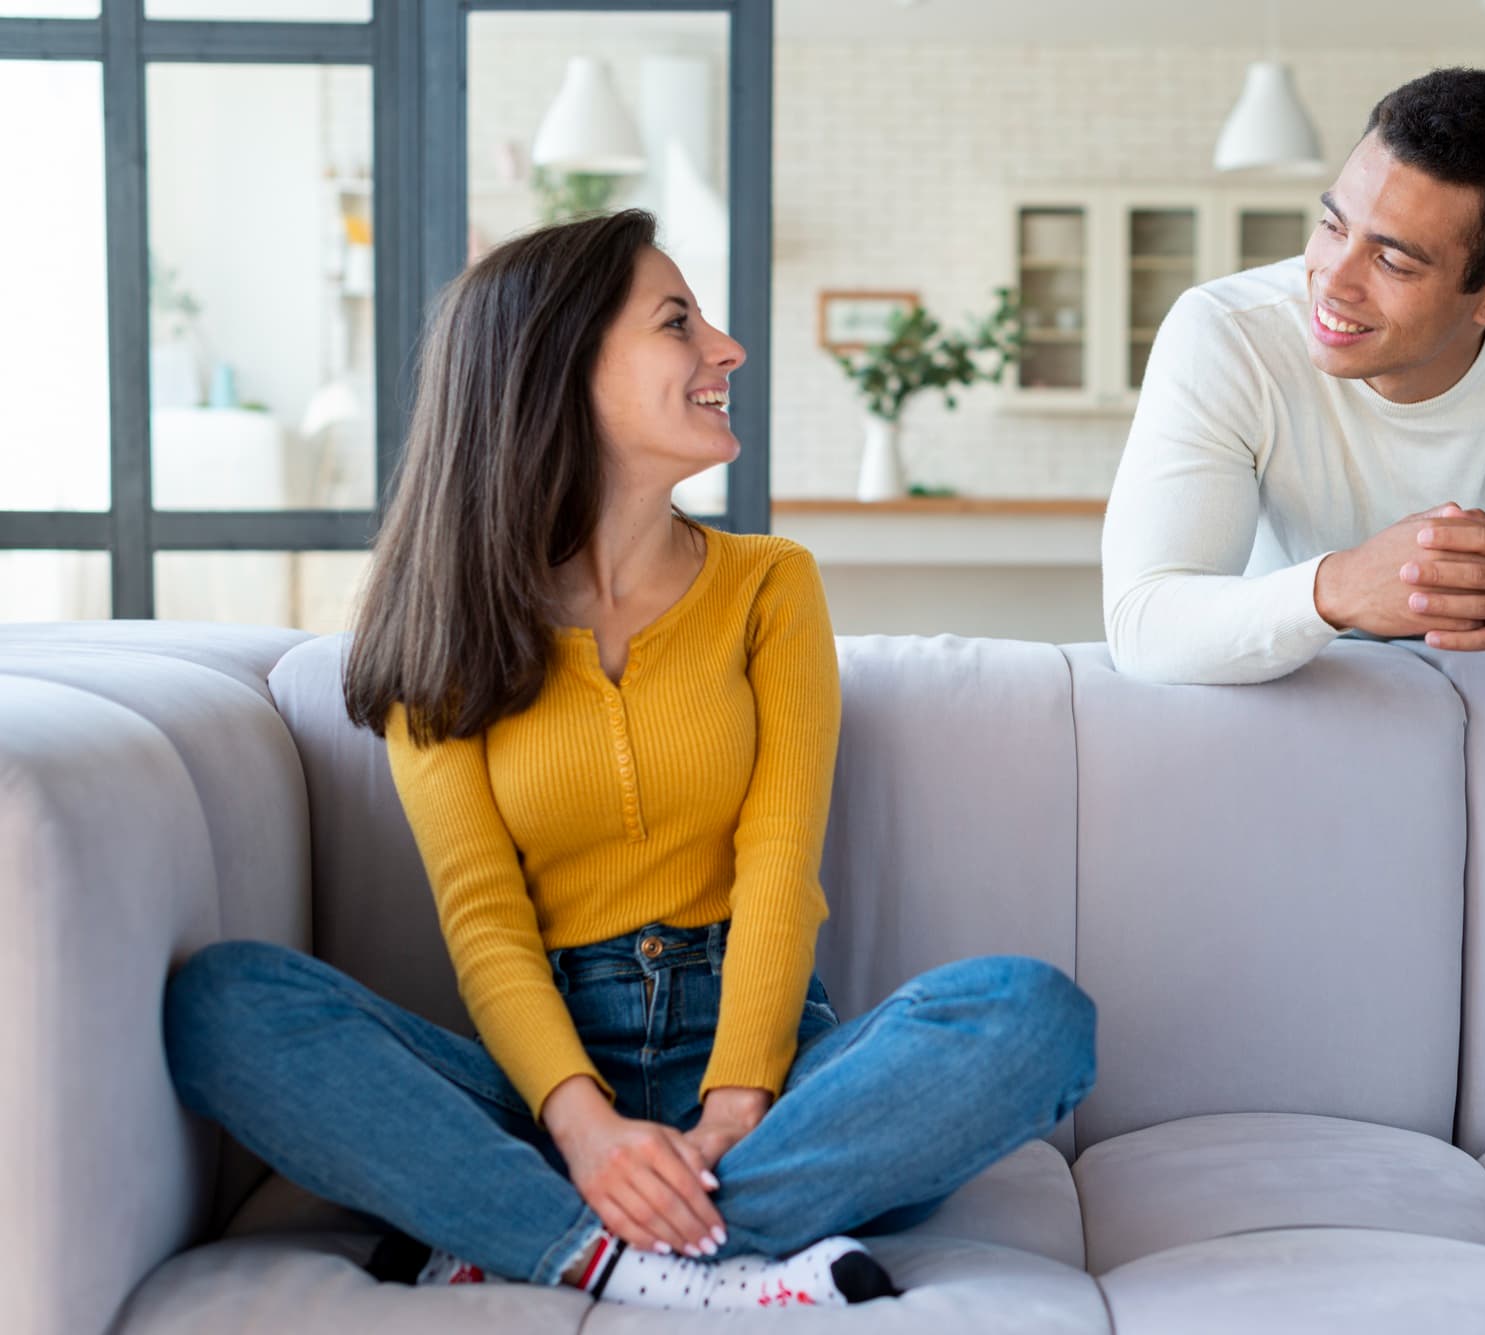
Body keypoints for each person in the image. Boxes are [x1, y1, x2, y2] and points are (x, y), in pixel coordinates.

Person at [162, 208, 1096, 1314]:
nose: (725, 348)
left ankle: (537, 1233)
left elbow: (778, 858)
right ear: (561, 370)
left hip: (776, 1079)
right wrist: (586, 1125)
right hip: (547, 1091)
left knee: (1029, 1016)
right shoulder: (439, 625)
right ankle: (666, 1250)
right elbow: (483, 920)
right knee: (225, 1005)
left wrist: (733, 1105)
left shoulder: (768, 585)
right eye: (677, 323)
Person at [1102, 67, 1485, 687]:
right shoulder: (1226, 333)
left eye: (1392, 261)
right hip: (1279, 684)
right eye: (1334, 226)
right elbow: (1143, 625)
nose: (1333, 281)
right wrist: (1337, 588)